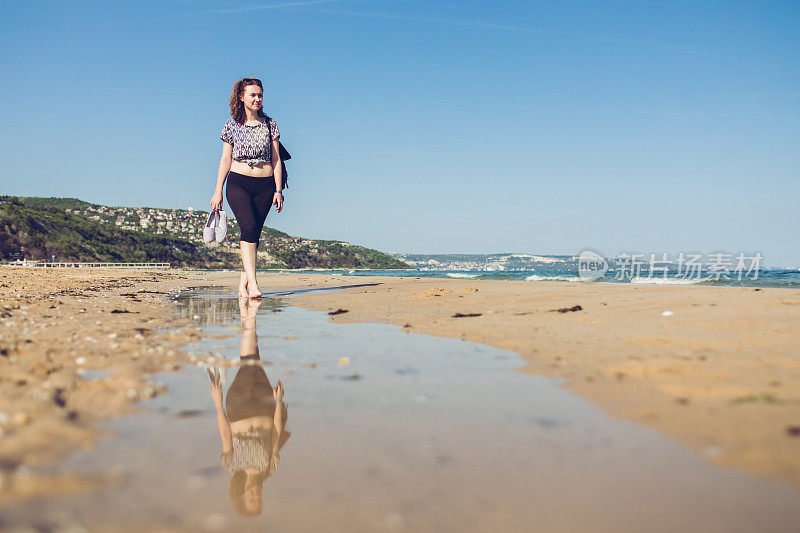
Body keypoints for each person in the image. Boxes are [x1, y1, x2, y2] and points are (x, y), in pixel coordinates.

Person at [209, 297, 290, 517]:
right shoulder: (270, 469)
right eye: (259, 499)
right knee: (254, 358)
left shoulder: (232, 469)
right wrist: (278, 402)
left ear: (241, 496)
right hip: (264, 404)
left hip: (239, 406)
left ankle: (249, 312)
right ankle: (247, 308)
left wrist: (218, 402)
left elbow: (226, 436)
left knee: (248, 361)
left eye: (252, 499)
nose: (257, 495)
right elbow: (276, 433)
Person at [210, 77, 284, 299]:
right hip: (238, 183)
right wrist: (217, 191)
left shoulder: (270, 124)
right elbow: (225, 159)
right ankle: (253, 284)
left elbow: (276, 159)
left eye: (260, 95)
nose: (257, 99)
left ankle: (242, 284)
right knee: (249, 228)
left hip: (265, 185)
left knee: (254, 234)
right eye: (252, 95)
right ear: (241, 97)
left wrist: (279, 190)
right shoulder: (231, 124)